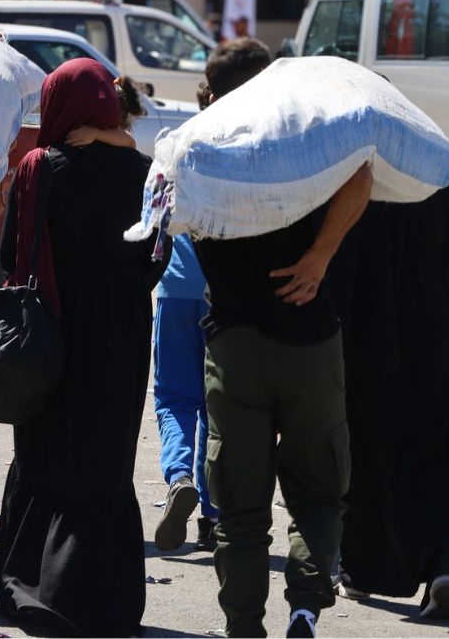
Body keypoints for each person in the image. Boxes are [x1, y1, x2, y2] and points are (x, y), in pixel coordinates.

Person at [194, 38, 373, 639]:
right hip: (309, 343)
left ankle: (244, 626)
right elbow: (364, 174)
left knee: (240, 511)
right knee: (319, 494)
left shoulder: (194, 146)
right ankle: (303, 610)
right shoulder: (305, 138)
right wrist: (319, 258)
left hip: (235, 348)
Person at [0, 58, 170, 637]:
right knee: (107, 456)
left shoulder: (40, 169)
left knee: (46, 450)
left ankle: (33, 583)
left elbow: (9, 257)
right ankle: (105, 601)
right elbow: (158, 254)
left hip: (52, 328)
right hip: (121, 331)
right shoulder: (147, 173)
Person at [327, 185, 449, 617]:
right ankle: (439, 567)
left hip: (365, 333)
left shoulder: (352, 168)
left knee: (368, 452)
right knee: (435, 448)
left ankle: (360, 569)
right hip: (433, 332)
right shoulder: (433, 171)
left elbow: (335, 257)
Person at [149, 81, 218, 554]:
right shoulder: (250, 146)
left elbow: (152, 223)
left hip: (175, 287)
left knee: (175, 396)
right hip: (226, 295)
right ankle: (213, 516)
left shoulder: (172, 147)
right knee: (218, 406)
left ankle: (178, 476)